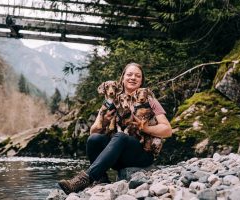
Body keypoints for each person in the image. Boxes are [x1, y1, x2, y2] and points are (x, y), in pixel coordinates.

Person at [58, 62, 172, 194]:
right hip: (117, 155)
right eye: (129, 74)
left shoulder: (149, 100)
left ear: (141, 81)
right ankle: (101, 179)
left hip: (141, 154)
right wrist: (105, 121)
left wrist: (145, 128)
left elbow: (167, 130)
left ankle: (83, 179)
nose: (133, 78)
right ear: (122, 78)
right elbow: (93, 131)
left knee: (121, 136)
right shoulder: (112, 99)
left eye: (137, 76)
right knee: (94, 139)